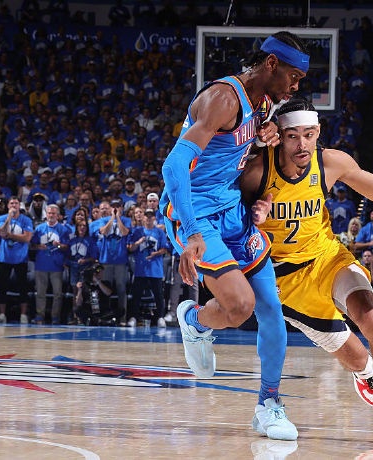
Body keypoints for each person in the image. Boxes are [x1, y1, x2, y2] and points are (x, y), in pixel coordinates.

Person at [240, 97, 373, 448]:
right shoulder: (256, 172)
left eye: (309, 135)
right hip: (286, 279)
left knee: (371, 318)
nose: (302, 144)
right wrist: (253, 218)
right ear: (279, 136)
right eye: (293, 136)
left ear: (318, 132)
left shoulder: (331, 162)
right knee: (356, 356)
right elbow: (230, 223)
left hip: (328, 257)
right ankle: (364, 371)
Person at [160, 31, 309, 441]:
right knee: (240, 306)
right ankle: (194, 320)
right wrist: (192, 232)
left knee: (271, 309)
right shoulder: (223, 99)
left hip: (232, 211)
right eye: (294, 77)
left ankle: (269, 404)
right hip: (195, 213)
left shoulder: (263, 104)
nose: (296, 87)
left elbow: (236, 157)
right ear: (271, 64)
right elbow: (173, 167)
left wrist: (263, 143)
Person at [90, 199, 131, 324]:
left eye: (118, 206)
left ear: (121, 208)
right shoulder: (103, 221)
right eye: (113, 207)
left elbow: (124, 232)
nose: (115, 209)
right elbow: (104, 231)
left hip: (120, 260)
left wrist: (118, 218)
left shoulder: (126, 220)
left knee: (121, 289)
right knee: (105, 289)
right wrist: (112, 218)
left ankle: (122, 318)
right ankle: (105, 316)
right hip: (106, 260)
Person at [127, 209, 168, 328]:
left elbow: (165, 249)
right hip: (140, 270)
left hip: (155, 270)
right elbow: (131, 248)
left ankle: (160, 317)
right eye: (147, 216)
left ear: (154, 218)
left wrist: (156, 254)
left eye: (151, 216)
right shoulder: (137, 231)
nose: (149, 218)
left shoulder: (159, 232)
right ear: (143, 218)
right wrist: (138, 242)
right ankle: (133, 317)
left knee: (159, 295)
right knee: (136, 295)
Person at [0, 197, 33, 324]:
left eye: (16, 203)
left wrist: (10, 235)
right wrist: (9, 218)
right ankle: (2, 315)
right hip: (4, 258)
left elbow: (27, 238)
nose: (14, 205)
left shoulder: (26, 220)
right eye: (11, 203)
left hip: (21, 258)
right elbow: (2, 233)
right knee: (2, 287)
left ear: (19, 206)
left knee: (23, 287)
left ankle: (23, 315)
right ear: (8, 206)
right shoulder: (2, 218)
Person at [31, 204, 70, 324]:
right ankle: (40, 315)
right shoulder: (39, 228)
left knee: (57, 293)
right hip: (41, 264)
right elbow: (32, 245)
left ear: (58, 216)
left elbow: (67, 247)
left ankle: (55, 316)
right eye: (49, 213)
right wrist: (38, 246)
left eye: (53, 213)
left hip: (56, 265)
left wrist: (58, 245)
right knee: (40, 293)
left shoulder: (63, 230)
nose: (51, 215)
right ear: (46, 215)